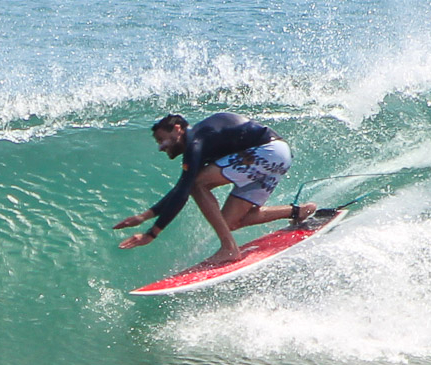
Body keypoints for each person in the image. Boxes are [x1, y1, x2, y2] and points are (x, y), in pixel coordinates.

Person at [114, 112, 315, 265]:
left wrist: (152, 233)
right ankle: (298, 211)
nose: (161, 147)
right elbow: (181, 188)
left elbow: (185, 191)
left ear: (177, 129)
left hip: (266, 150)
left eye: (161, 140)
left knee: (197, 183)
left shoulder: (196, 141)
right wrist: (145, 216)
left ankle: (229, 248)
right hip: (278, 155)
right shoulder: (201, 143)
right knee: (229, 222)